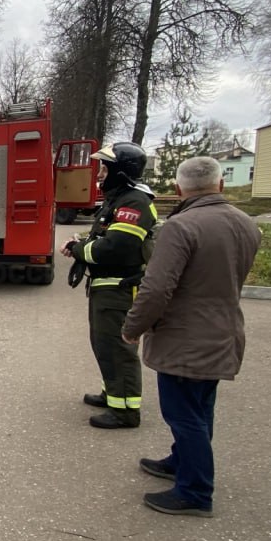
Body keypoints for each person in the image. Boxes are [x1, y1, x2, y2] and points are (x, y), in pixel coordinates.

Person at [121, 156, 262, 518]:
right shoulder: (247, 225)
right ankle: (181, 461)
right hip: (224, 334)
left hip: (185, 339)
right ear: (221, 186)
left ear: (180, 189)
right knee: (200, 408)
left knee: (184, 415)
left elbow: (155, 289)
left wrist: (133, 328)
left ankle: (195, 491)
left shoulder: (181, 227)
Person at [60, 142, 157, 429]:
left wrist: (78, 250)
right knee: (104, 344)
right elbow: (105, 240)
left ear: (121, 171)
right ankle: (113, 393)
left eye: (105, 167)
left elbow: (116, 248)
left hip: (119, 288)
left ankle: (126, 411)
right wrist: (81, 246)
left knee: (117, 347)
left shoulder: (134, 202)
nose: (100, 173)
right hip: (107, 286)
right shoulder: (120, 199)